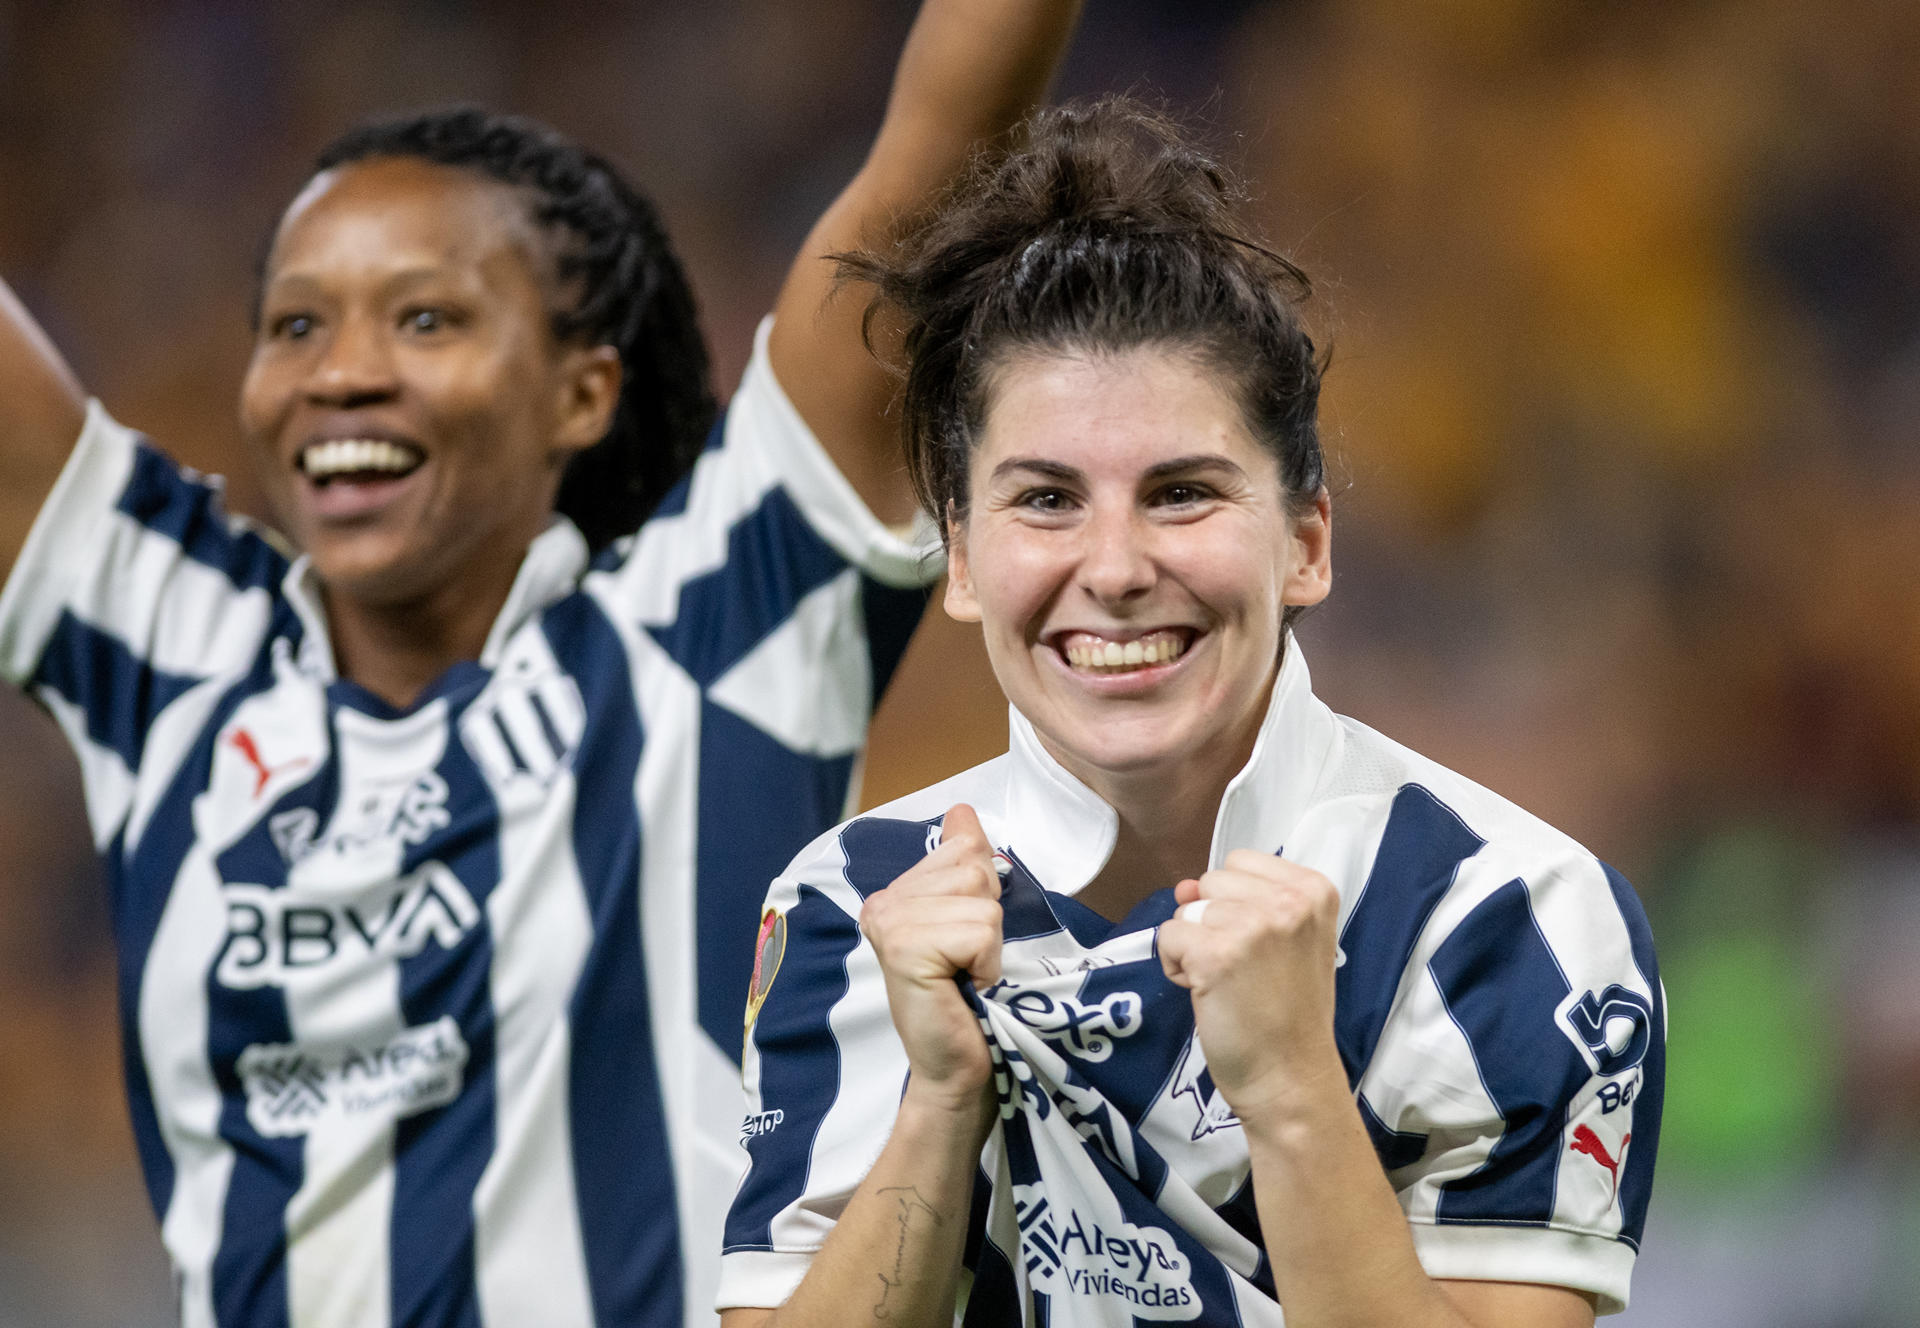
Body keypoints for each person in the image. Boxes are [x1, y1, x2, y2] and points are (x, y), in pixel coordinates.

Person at [0, 4, 1082, 1325]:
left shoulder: (713, 631)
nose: (341, 373)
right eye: (294, 328)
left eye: (425, 320)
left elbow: (940, 150)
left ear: (582, 391)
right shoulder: (168, 655)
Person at [718, 99, 1664, 1328]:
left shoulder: (1511, 914)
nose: (1112, 566)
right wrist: (940, 1097)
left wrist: (1288, 1086)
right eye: (1046, 499)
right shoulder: (851, 904)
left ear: (1307, 543)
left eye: (1180, 493)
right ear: (958, 556)